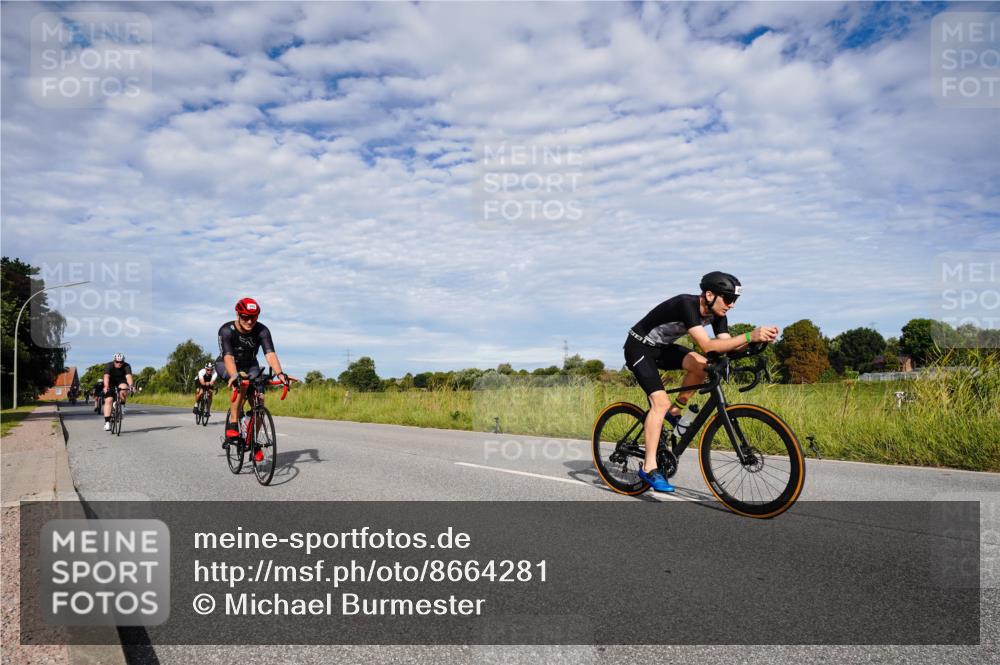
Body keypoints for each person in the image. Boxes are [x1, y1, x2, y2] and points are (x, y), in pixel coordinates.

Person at [623, 271, 779, 492]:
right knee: (659, 403)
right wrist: (748, 336)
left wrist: (756, 343)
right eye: (728, 299)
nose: (731, 305)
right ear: (709, 295)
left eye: (734, 300)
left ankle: (676, 412)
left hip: (661, 349)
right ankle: (649, 468)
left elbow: (726, 345)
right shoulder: (686, 305)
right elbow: (708, 345)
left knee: (702, 366)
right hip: (638, 347)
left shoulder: (718, 314)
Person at [216, 298, 288, 450]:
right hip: (227, 364)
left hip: (251, 365)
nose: (249, 321)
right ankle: (234, 423)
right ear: (238, 314)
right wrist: (234, 375)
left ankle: (253, 442)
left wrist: (280, 374)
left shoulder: (262, 330)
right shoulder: (226, 330)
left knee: (259, 401)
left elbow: (270, 354)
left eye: (254, 317)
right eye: (245, 317)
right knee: (242, 383)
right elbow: (228, 356)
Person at [102, 353, 134, 431]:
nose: (119, 363)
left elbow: (128, 377)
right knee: (108, 400)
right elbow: (106, 377)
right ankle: (107, 423)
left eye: (121, 362)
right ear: (114, 361)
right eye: (117, 362)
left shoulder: (126, 366)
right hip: (111, 383)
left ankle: (122, 406)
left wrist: (131, 386)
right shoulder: (109, 365)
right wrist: (106, 386)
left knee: (124, 388)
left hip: (121, 381)